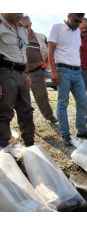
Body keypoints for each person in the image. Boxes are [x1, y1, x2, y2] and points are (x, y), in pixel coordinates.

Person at [48, 13, 87, 147]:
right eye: (76, 20)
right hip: (62, 71)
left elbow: (75, 51)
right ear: (69, 16)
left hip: (77, 71)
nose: (78, 24)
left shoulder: (76, 32)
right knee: (63, 102)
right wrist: (53, 71)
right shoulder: (56, 27)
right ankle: (65, 135)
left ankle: (81, 130)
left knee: (83, 101)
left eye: (80, 21)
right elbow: (50, 51)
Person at [0, 13, 35, 150]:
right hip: (5, 72)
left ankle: (30, 144)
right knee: (4, 111)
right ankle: (2, 148)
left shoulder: (21, 27)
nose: (20, 14)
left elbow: (23, 51)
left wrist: (26, 73)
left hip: (21, 73)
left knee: (26, 110)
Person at [18, 16, 58, 124]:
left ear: (31, 24)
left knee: (41, 96)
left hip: (36, 72)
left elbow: (51, 51)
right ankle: (26, 122)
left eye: (27, 26)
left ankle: (49, 116)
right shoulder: (15, 37)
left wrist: (47, 63)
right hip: (20, 73)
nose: (25, 29)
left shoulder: (41, 37)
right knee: (23, 100)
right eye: (22, 26)